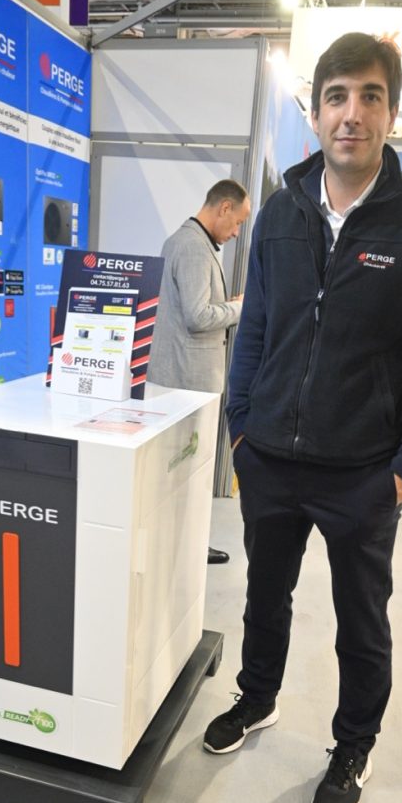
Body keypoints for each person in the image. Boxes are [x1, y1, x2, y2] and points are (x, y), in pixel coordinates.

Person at [202, 32, 402, 803]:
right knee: (265, 596)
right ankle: (257, 699)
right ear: (316, 112)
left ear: (390, 112)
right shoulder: (283, 213)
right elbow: (254, 331)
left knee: (362, 624)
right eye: (336, 97)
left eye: (369, 96)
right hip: (273, 464)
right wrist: (242, 433)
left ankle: (353, 745)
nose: (351, 114)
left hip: (364, 473)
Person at [147, 179, 251, 565]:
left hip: (186, 381)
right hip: (186, 384)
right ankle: (185, 546)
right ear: (224, 207)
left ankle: (185, 543)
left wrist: (228, 303)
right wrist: (242, 308)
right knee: (186, 470)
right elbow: (198, 316)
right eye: (237, 222)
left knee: (186, 470)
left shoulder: (193, 243)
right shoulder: (192, 247)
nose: (237, 232)